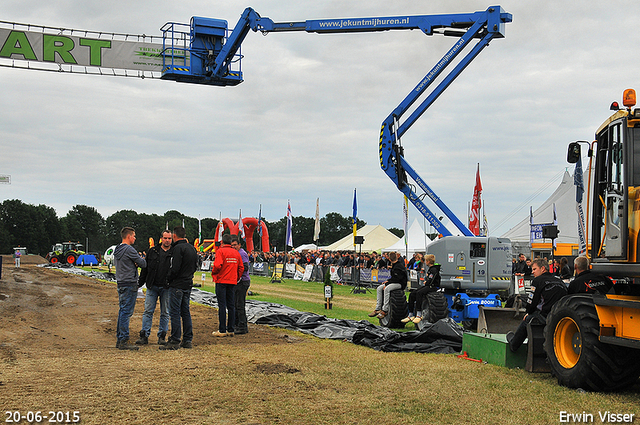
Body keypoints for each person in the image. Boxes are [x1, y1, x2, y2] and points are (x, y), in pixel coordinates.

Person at [507, 258, 567, 352]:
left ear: (543, 269)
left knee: (527, 319)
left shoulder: (538, 281)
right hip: (561, 316)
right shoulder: (559, 281)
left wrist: (528, 313)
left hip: (545, 315)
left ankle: (514, 344)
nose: (532, 272)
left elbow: (531, 302)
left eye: (534, 269)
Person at [161, 226, 198, 350]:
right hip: (188, 283)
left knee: (175, 312)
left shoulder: (177, 249)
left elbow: (175, 268)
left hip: (177, 285)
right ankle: (187, 339)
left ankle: (175, 339)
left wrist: (168, 279)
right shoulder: (192, 248)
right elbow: (195, 266)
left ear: (174, 236)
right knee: (185, 312)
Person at [135, 230, 173, 346]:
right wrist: (140, 283)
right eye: (165, 238)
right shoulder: (153, 251)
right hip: (152, 286)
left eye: (169, 238)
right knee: (148, 311)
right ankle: (144, 335)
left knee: (165, 313)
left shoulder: (174, 252)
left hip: (166, 287)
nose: (167, 240)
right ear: (161, 238)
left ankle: (162, 336)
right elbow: (145, 269)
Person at [114, 227, 147, 351]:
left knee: (122, 310)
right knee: (126, 312)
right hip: (130, 283)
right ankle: (123, 339)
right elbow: (143, 264)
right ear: (128, 236)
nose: (135, 238)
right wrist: (137, 262)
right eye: (134, 236)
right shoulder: (129, 250)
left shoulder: (118, 249)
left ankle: (120, 338)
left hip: (121, 282)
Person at [211, 234, 244, 337]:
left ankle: (222, 329)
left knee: (222, 305)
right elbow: (241, 267)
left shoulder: (220, 251)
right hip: (232, 281)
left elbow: (217, 265)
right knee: (231, 306)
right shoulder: (236, 253)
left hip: (221, 281)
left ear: (222, 242)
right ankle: (231, 329)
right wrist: (237, 277)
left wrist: (214, 273)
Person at [402, 254, 440, 324]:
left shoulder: (434, 269)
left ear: (428, 261)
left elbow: (432, 280)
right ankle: (410, 314)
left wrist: (427, 282)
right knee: (412, 294)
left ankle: (419, 314)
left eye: (425, 261)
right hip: (428, 286)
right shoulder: (430, 269)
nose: (425, 262)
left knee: (420, 293)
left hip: (433, 287)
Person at [368, 251, 407, 319]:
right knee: (379, 288)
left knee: (387, 289)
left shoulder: (399, 266)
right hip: (395, 282)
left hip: (400, 284)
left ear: (389, 259)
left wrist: (387, 283)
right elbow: (394, 278)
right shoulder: (395, 265)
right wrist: (388, 281)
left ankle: (385, 310)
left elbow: (398, 279)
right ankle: (378, 308)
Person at [231, 235, 251, 335]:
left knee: (239, 304)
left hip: (242, 281)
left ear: (239, 245)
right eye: (232, 245)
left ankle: (242, 326)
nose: (233, 247)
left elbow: (245, 267)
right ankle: (237, 324)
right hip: (238, 281)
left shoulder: (242, 254)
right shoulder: (236, 253)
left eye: (235, 245)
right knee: (236, 304)